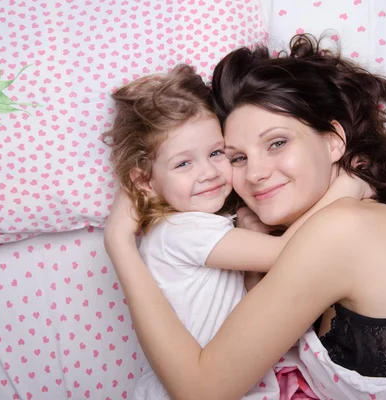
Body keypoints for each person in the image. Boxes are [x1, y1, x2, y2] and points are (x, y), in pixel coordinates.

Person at [104, 34, 386, 399]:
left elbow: (201, 390)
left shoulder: (344, 228)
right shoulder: (369, 213)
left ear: (334, 141)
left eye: (277, 143)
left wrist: (119, 244)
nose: (254, 173)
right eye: (237, 156)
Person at [102, 63, 369, 399]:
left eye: (216, 153)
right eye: (184, 163)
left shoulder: (200, 227)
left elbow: (250, 304)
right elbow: (287, 252)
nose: (209, 172)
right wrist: (346, 189)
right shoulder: (181, 231)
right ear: (145, 182)